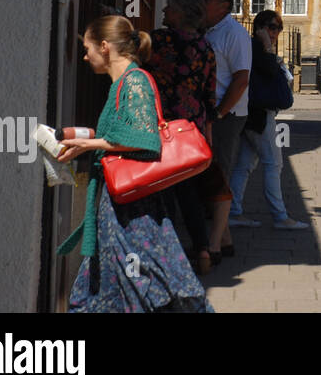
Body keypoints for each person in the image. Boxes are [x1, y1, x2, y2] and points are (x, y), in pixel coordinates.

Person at [57, 16, 212, 312]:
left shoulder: (134, 80)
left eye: (87, 47)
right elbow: (118, 135)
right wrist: (83, 142)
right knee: (125, 285)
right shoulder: (121, 84)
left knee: (145, 285)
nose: (84, 55)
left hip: (134, 209)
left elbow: (143, 138)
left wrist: (89, 145)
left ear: (105, 47)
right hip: (124, 204)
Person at [145, 0, 218, 273]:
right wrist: (208, 132)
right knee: (188, 192)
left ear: (181, 12)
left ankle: (166, 254)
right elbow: (209, 95)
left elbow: (128, 52)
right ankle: (201, 249)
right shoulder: (205, 48)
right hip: (190, 129)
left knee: (162, 191)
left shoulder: (158, 40)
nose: (164, 11)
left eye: (169, 7)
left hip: (160, 124)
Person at [229, 11, 309, 231]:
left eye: (278, 28)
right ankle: (280, 216)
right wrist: (269, 48)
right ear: (260, 28)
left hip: (251, 115)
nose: (276, 33)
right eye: (272, 27)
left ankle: (234, 212)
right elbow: (270, 70)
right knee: (274, 164)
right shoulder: (257, 47)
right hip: (260, 114)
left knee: (244, 165)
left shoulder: (252, 46)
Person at [202, 0, 252, 261]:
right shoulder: (211, 30)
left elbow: (242, 78)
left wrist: (220, 113)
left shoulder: (234, 33)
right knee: (211, 174)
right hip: (214, 114)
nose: (202, 4)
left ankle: (215, 245)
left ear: (223, 6)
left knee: (219, 176)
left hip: (227, 116)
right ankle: (226, 239)